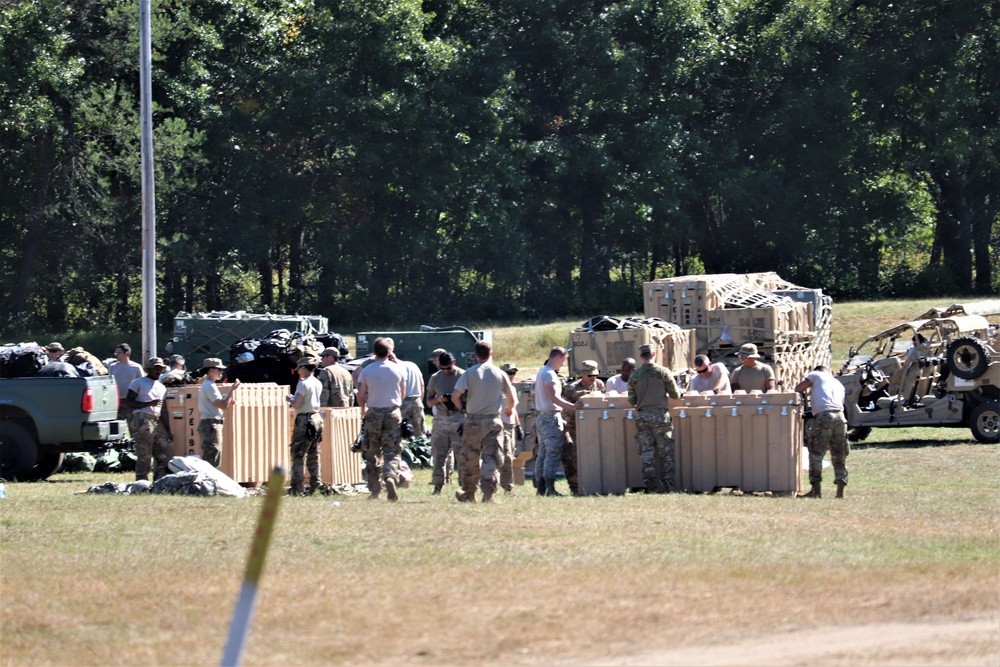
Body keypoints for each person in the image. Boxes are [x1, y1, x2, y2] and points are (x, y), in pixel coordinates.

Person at [451, 340, 515, 503]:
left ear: (476, 355)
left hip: (472, 421)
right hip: (492, 422)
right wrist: (508, 408)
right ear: (491, 353)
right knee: (491, 458)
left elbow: (455, 397)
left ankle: (470, 493)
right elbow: (511, 398)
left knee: (470, 458)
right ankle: (488, 494)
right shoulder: (500, 374)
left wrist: (464, 409)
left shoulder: (469, 373)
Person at [356, 337, 407, 501]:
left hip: (374, 412)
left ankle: (375, 489)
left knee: (372, 450)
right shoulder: (398, 369)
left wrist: (363, 409)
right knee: (391, 449)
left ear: (373, 352)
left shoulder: (367, 371)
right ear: (389, 352)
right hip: (392, 412)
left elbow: (361, 395)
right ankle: (390, 476)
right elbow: (403, 393)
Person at [627, 344, 681, 493]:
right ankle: (668, 486)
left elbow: (631, 399)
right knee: (666, 453)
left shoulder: (635, 375)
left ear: (641, 356)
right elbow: (675, 394)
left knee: (647, 453)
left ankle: (650, 486)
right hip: (660, 416)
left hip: (643, 416)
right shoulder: (663, 372)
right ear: (654, 353)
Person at [794, 365, 849, 499]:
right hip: (841, 418)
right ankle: (840, 492)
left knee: (816, 453)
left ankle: (816, 491)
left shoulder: (815, 375)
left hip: (824, 416)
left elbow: (798, 388)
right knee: (839, 454)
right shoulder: (838, 383)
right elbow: (841, 403)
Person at [533, 347, 577, 497]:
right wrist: (572, 407)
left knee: (543, 454)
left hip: (542, 417)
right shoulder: (550, 375)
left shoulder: (542, 371)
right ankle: (550, 489)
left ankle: (540, 488)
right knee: (552, 454)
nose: (563, 364)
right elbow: (554, 398)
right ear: (558, 357)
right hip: (550, 417)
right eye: (564, 360)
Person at [561, 359, 605, 495]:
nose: (593, 378)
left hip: (594, 427)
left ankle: (594, 485)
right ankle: (575, 487)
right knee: (573, 457)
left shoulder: (599, 385)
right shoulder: (571, 389)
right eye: (590, 375)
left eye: (595, 375)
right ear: (582, 374)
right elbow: (563, 408)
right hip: (574, 427)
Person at [125, 357, 174, 481]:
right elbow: (129, 402)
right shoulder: (138, 382)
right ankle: (142, 481)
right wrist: (147, 403)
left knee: (165, 453)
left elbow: (163, 410)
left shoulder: (161, 387)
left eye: (160, 369)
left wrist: (168, 431)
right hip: (142, 418)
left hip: (156, 421)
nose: (158, 371)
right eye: (156, 368)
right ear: (149, 369)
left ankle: (160, 479)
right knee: (144, 453)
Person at [425, 351, 465, 494]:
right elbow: (428, 401)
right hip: (441, 418)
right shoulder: (435, 378)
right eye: (443, 368)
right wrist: (438, 400)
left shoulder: (463, 375)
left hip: (459, 418)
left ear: (454, 362)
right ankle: (437, 485)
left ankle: (464, 486)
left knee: (462, 454)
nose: (446, 371)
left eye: (448, 368)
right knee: (439, 454)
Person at [287, 357, 324, 495]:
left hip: (304, 419)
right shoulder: (317, 382)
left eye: (298, 369)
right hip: (317, 417)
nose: (297, 372)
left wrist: (290, 399)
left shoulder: (302, 384)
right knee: (314, 453)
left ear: (303, 368)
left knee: (298, 454)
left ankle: (297, 488)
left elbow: (297, 404)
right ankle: (316, 485)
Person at [197, 358, 239, 469]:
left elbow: (218, 404)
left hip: (210, 423)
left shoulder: (209, 385)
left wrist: (227, 401)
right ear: (211, 370)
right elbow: (223, 405)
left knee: (212, 457)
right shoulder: (210, 386)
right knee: (212, 460)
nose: (221, 372)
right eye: (219, 369)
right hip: (210, 424)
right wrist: (231, 390)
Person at [498, 362, 522, 494]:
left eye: (514, 373)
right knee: (505, 456)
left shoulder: (512, 389)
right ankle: (507, 487)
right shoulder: (496, 388)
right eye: (509, 373)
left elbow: (514, 410)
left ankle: (506, 485)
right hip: (500, 425)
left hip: (510, 425)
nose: (512, 376)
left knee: (510, 456)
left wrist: (518, 427)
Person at [109, 343, 144, 422]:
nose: (116, 355)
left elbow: (142, 384)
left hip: (131, 401)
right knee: (116, 426)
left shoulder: (136, 367)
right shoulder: (113, 367)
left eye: (118, 353)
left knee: (133, 426)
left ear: (127, 353)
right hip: (117, 401)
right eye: (115, 353)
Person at [399, 358, 426, 438]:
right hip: (416, 399)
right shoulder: (413, 365)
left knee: (394, 430)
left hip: (402, 400)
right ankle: (421, 449)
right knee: (420, 432)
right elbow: (422, 384)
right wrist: (420, 400)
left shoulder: (394, 367)